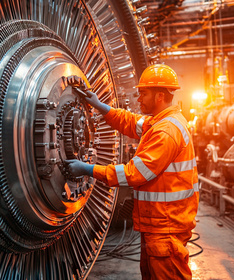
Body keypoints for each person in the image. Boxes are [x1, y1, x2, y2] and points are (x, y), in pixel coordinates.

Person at [66, 64, 199, 280]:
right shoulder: (158, 121)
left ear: (159, 95)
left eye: (143, 94)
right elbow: (129, 122)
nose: (139, 99)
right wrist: (100, 106)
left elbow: (133, 173)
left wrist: (89, 169)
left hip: (166, 227)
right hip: (159, 224)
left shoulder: (166, 131)